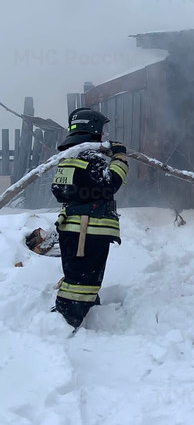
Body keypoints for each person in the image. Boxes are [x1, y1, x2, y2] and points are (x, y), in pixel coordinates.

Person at [51, 108, 128, 328]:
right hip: (90, 229)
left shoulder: (68, 157)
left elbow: (59, 191)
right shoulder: (91, 156)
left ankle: (83, 310)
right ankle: (68, 319)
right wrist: (120, 158)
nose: (103, 136)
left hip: (72, 228)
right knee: (83, 279)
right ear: (92, 130)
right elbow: (110, 183)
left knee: (77, 275)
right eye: (101, 131)